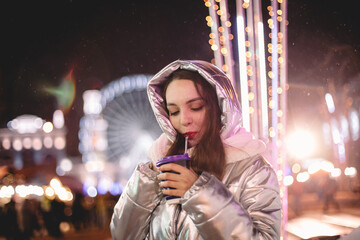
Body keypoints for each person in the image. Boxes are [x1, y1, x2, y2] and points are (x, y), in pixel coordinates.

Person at [110, 60, 281, 239]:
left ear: (219, 107)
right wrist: (146, 183)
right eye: (174, 112)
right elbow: (122, 236)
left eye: (195, 107)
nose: (184, 120)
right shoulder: (158, 169)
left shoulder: (253, 171)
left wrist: (198, 192)